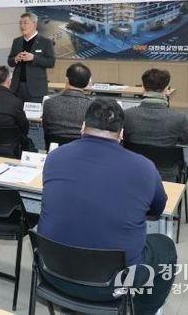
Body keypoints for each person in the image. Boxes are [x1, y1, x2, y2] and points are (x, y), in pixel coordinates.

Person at [39, 98, 176, 315]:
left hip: (53, 273)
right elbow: (157, 209)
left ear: (83, 127)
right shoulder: (144, 167)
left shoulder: (55, 157)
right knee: (166, 247)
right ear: (121, 134)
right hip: (113, 285)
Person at [124, 68, 188, 149]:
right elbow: (187, 139)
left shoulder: (127, 115)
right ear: (166, 89)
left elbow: (124, 137)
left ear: (143, 88)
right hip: (167, 157)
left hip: (134, 157)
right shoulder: (179, 118)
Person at [7, 12, 55, 103]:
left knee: (35, 112)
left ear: (34, 24)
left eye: (25, 23)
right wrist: (16, 59)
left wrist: (34, 58)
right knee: (17, 112)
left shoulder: (45, 42)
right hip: (17, 88)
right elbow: (10, 61)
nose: (22, 26)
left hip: (36, 89)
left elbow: (51, 62)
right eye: (20, 23)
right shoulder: (16, 41)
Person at [42, 62, 93, 144]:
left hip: (54, 148)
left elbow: (46, 129)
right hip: (82, 148)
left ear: (67, 79)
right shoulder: (92, 106)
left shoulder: (49, 103)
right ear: (87, 83)